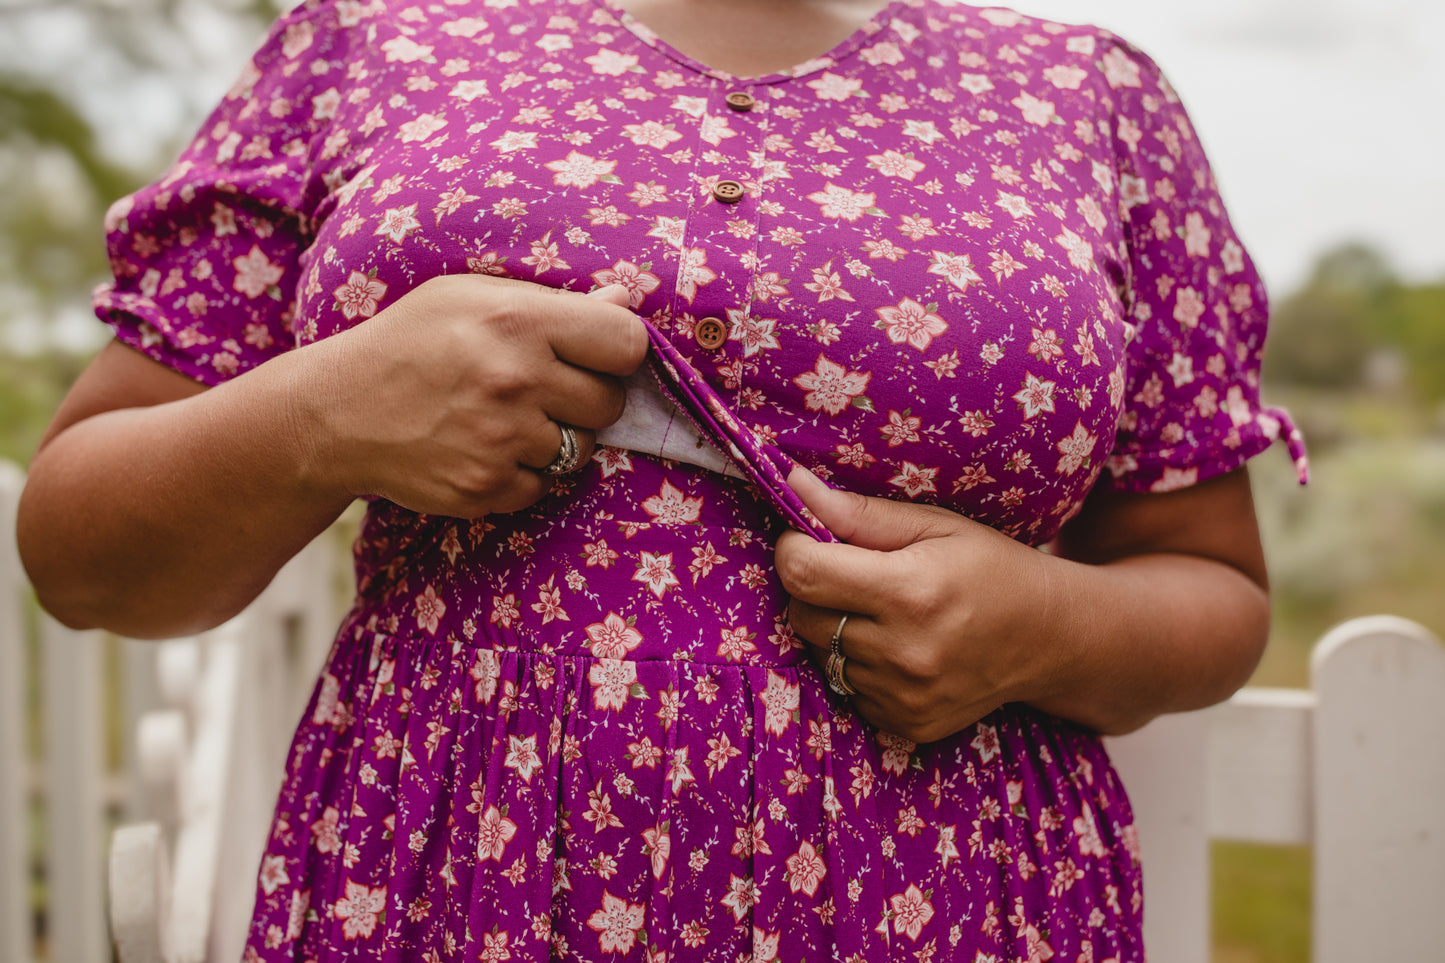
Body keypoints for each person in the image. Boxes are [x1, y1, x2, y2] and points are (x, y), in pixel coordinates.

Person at [17, 0, 1307, 958]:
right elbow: (83, 561)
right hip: (451, 886)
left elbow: (1212, 583)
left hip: (945, 903)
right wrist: (322, 416)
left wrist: (1046, 625)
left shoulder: (1084, 96)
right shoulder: (378, 36)